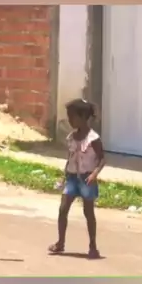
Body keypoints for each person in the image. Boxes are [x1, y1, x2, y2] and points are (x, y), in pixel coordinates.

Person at [49, 99, 105, 259]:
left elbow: (102, 159)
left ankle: (93, 246)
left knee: (88, 212)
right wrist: (64, 175)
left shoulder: (93, 139)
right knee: (63, 209)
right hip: (72, 177)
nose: (69, 120)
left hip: (87, 179)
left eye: (72, 117)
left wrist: (94, 174)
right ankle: (60, 243)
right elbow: (70, 158)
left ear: (83, 117)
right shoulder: (71, 137)